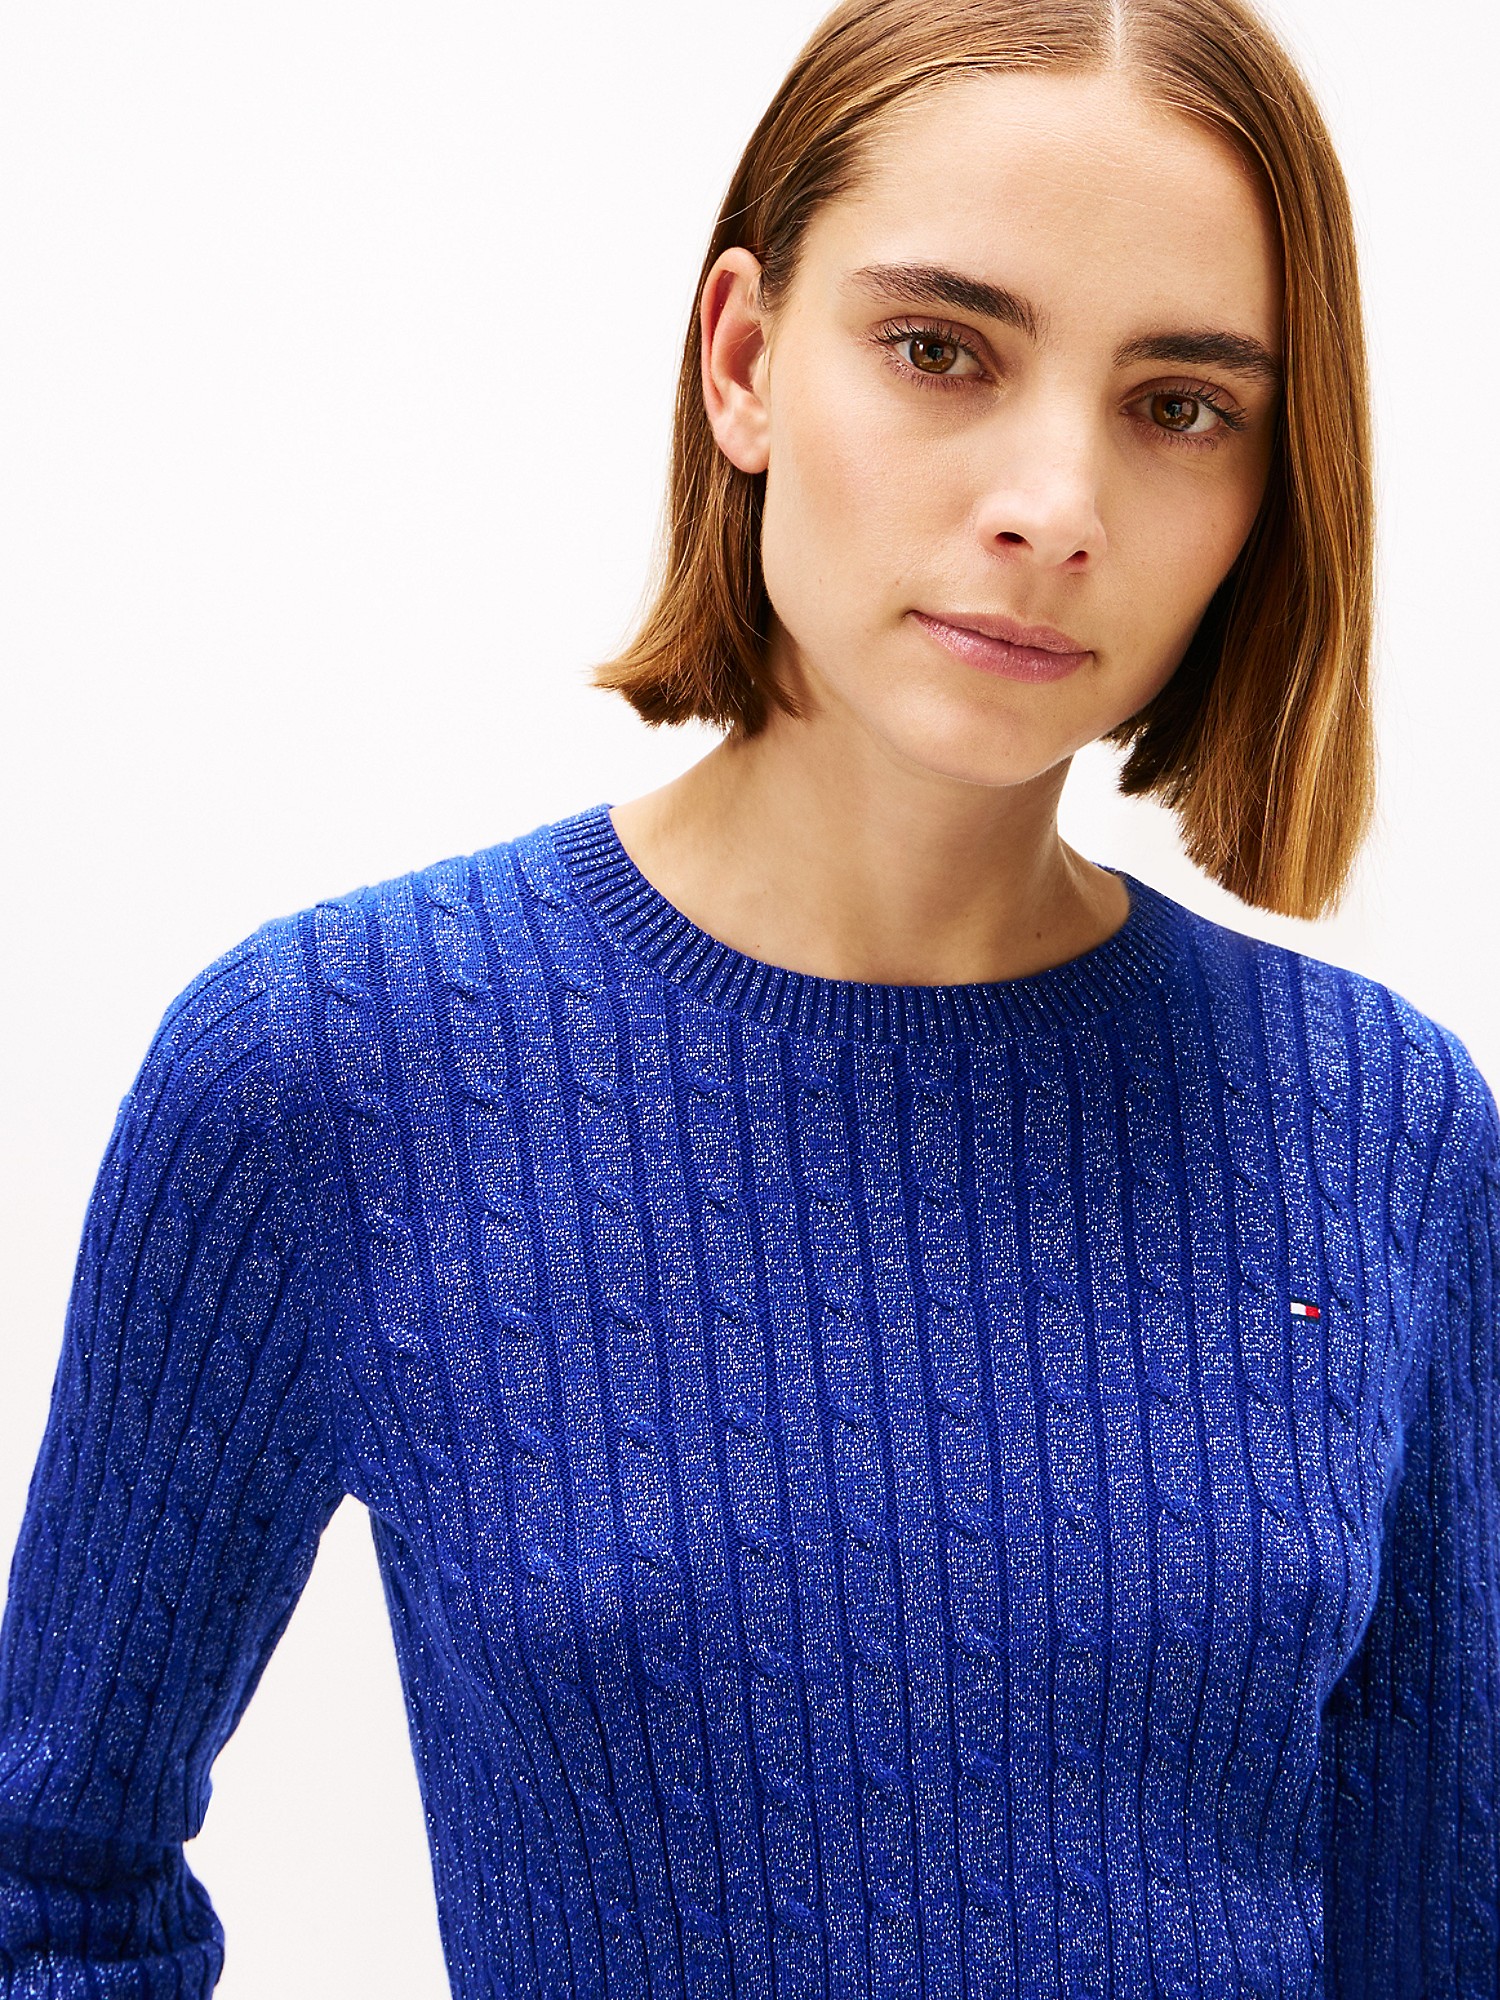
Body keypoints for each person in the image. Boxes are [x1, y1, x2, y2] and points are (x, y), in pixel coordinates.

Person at [1, 0, 1495, 1993]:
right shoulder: (331, 1069)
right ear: (743, 361)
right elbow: (48, 1885)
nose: (1055, 501)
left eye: (1180, 403)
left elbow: (1443, 1925)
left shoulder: (1380, 1125)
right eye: (942, 349)